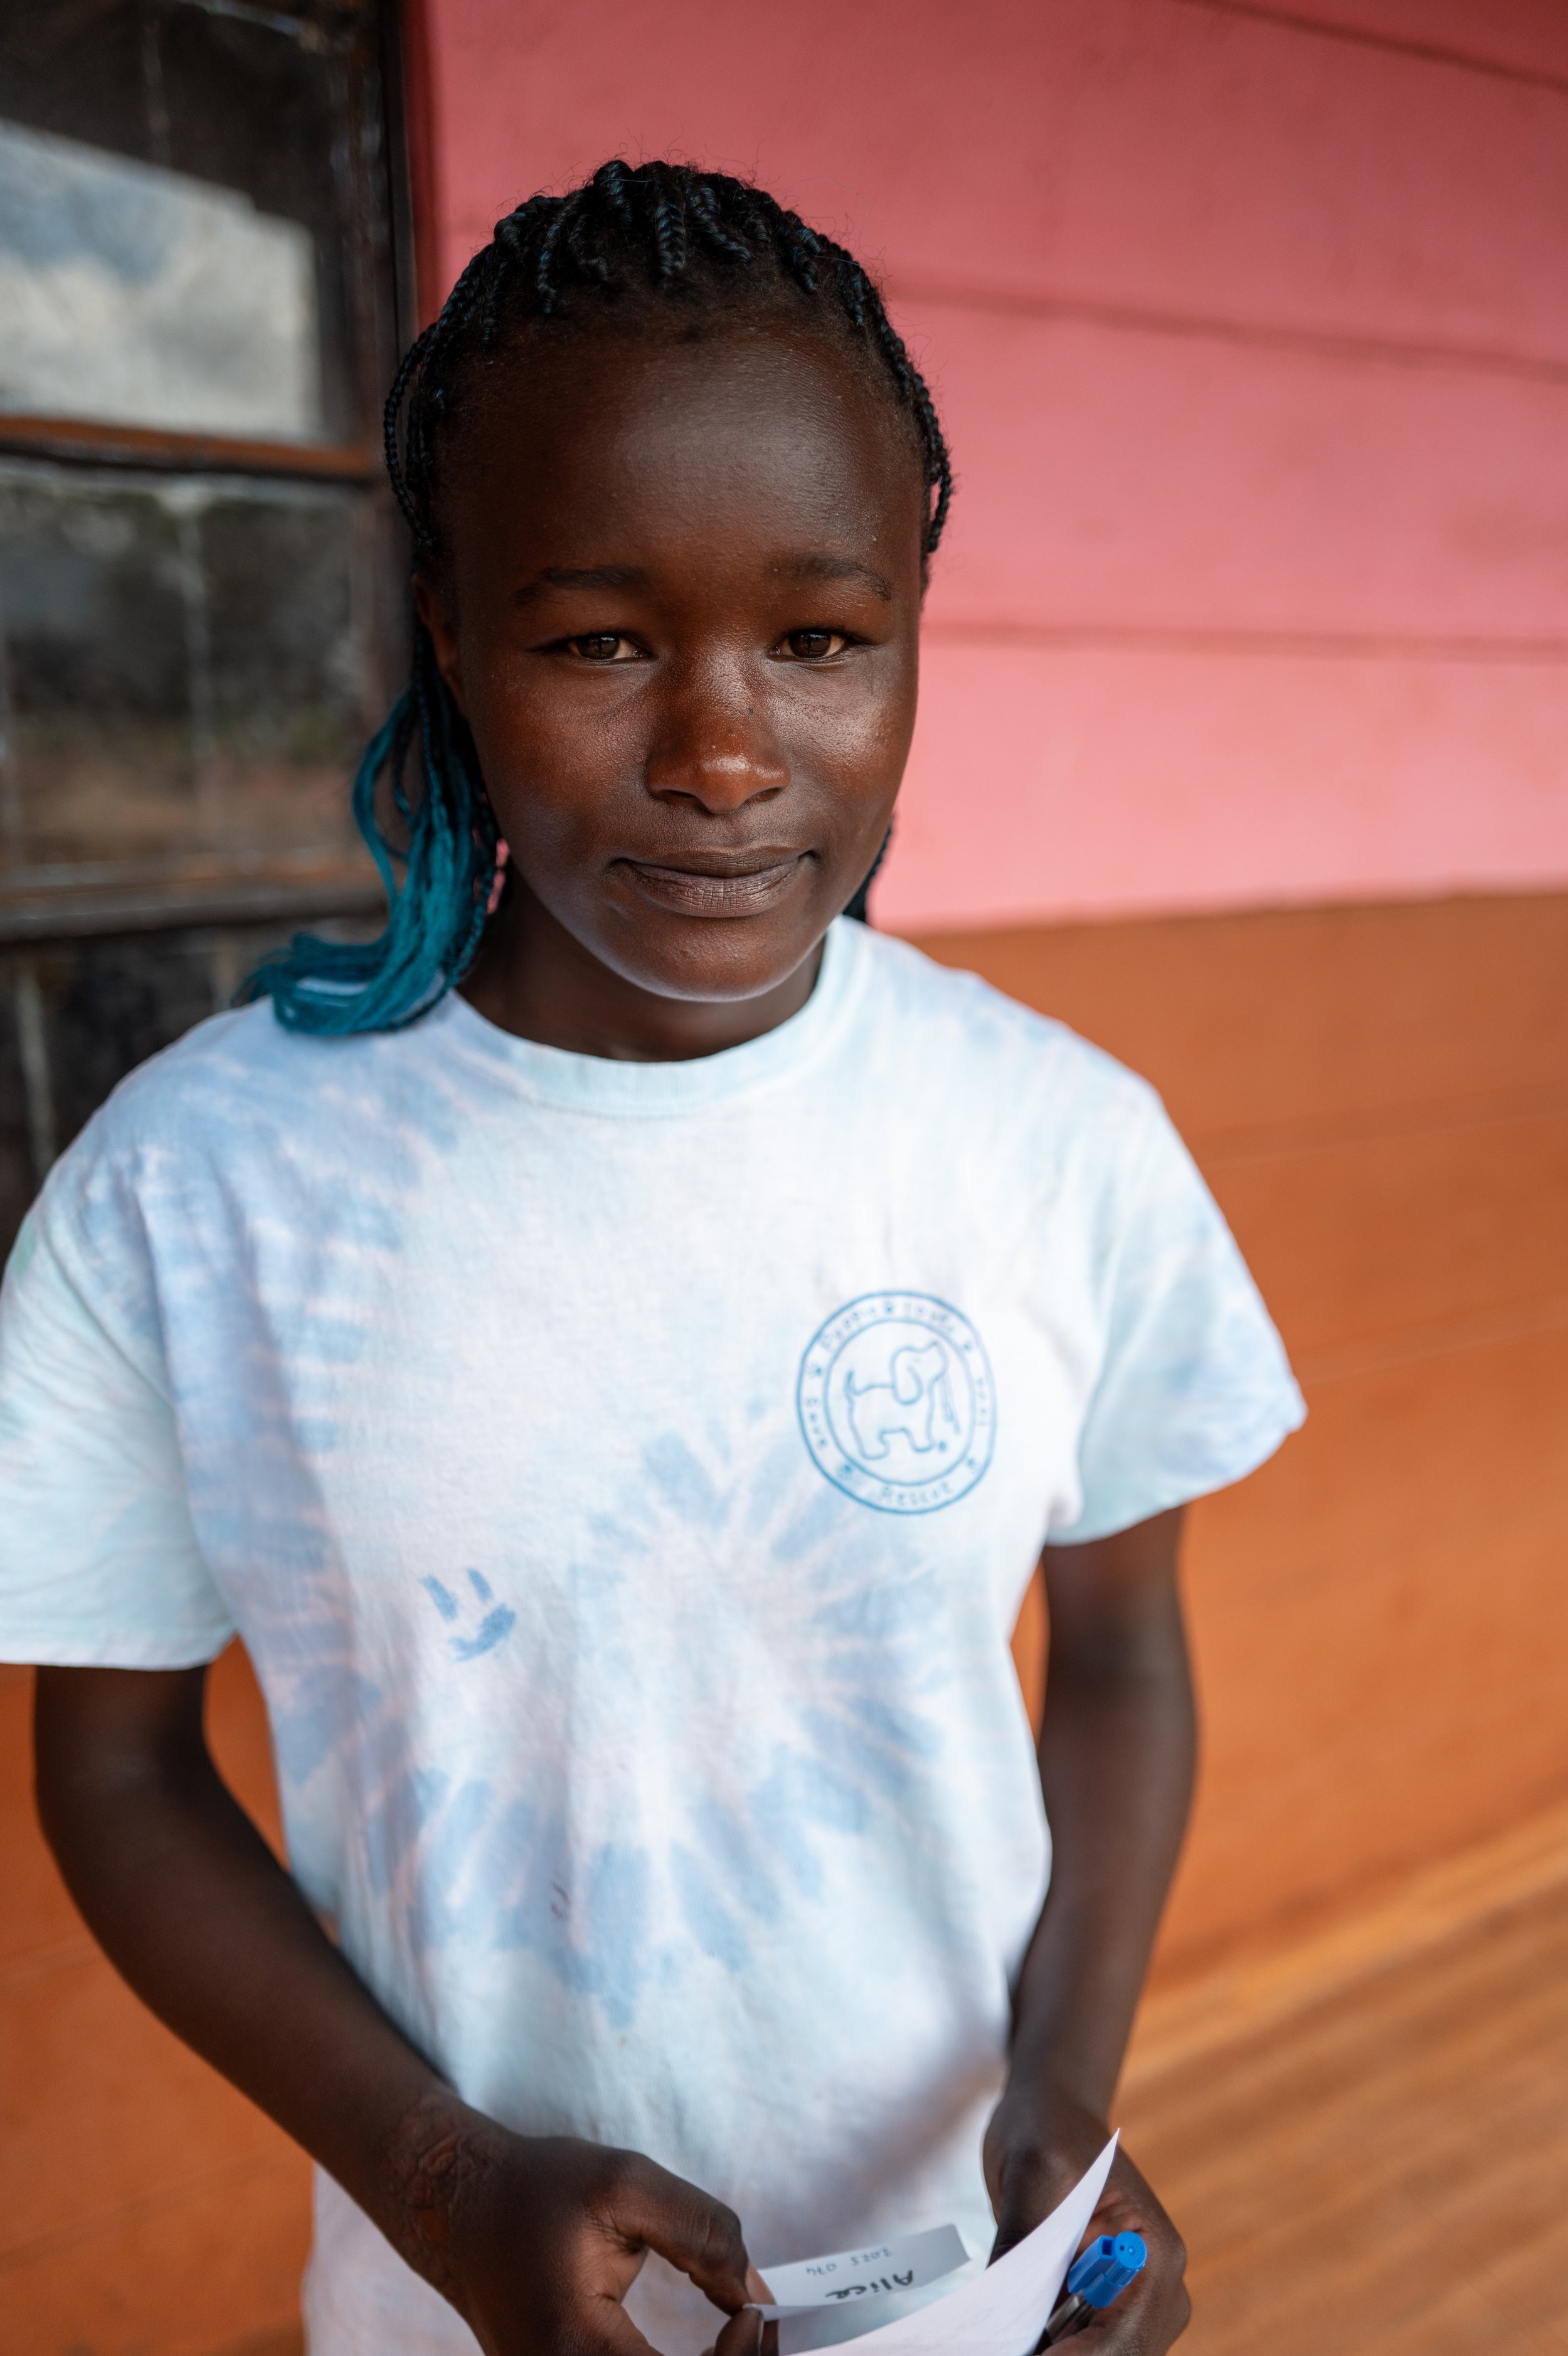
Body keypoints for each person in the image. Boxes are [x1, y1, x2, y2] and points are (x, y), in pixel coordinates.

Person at [0, 161, 1302, 2356]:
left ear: (909, 622)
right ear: (445, 622)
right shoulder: (202, 1188)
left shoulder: (1051, 1144)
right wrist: (435, 2180)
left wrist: (1064, 2103)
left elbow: (1123, 1656)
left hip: (961, 2304)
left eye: (818, 637)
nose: (720, 752)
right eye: (600, 637)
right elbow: (113, 1766)